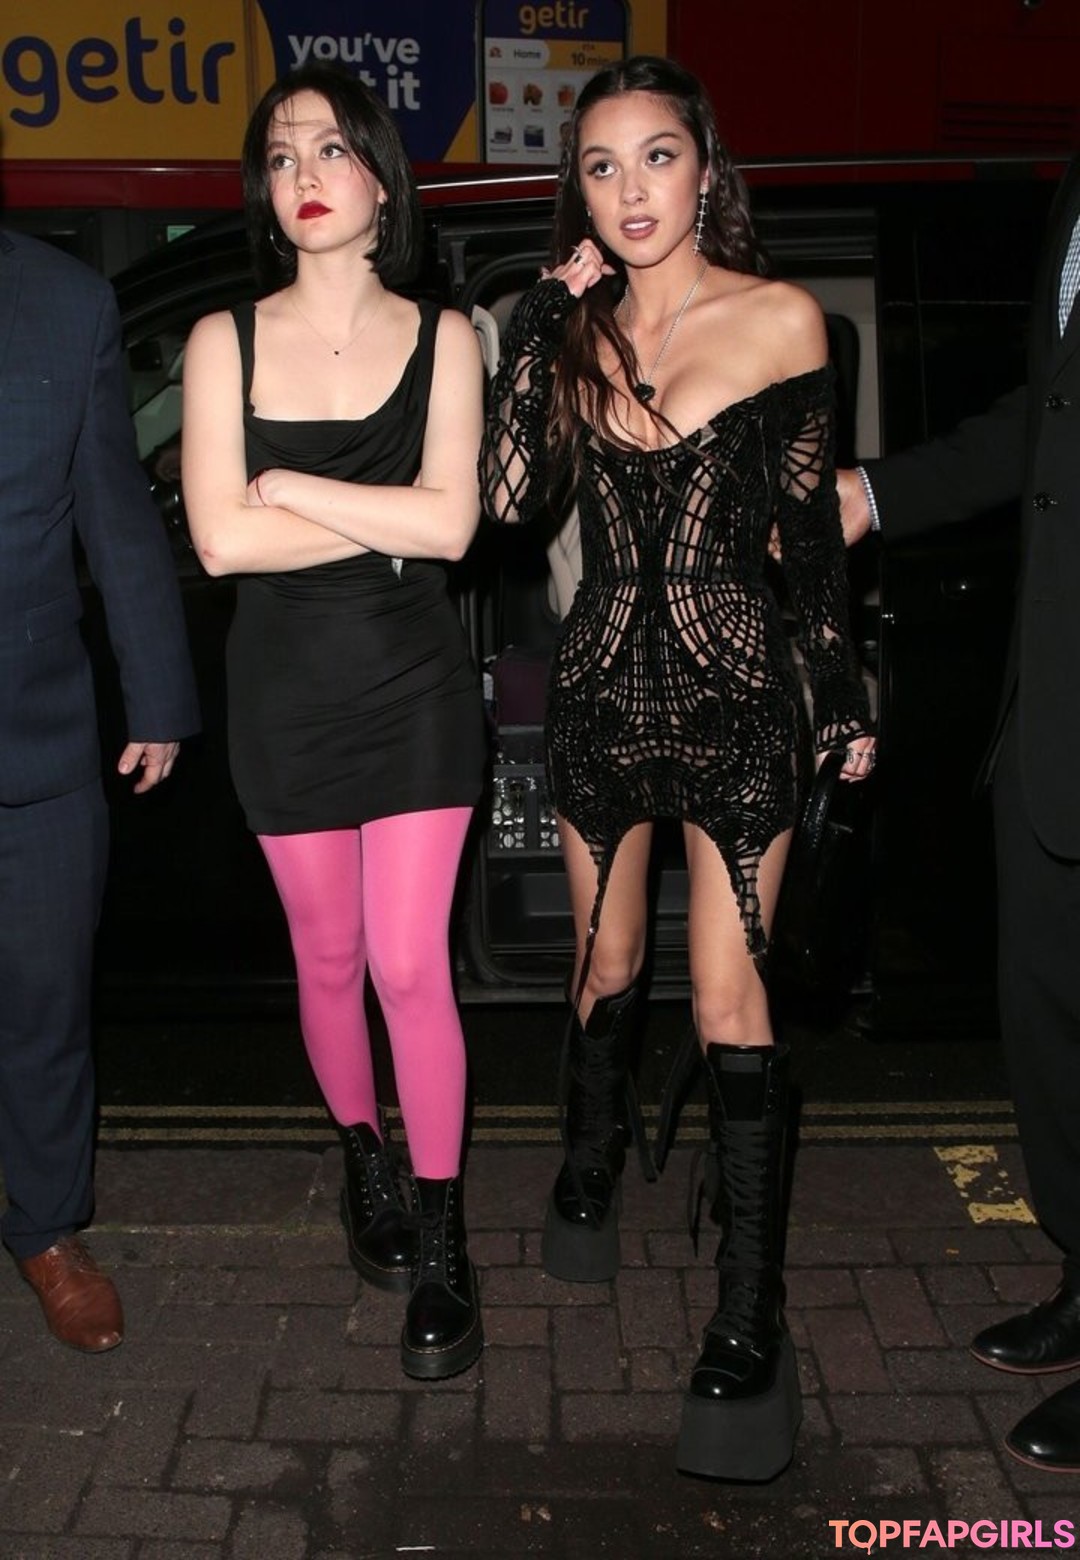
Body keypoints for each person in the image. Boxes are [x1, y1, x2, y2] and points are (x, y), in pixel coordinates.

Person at [480, 55, 874, 1480]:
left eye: (656, 156)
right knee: (601, 966)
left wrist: (841, 693)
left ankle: (747, 1313)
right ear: (578, 193)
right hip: (599, 690)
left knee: (724, 999)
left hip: (734, 694)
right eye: (600, 166)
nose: (632, 189)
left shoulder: (781, 319)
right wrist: (538, 323)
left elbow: (810, 542)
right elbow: (508, 507)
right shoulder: (574, 336)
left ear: (705, 166)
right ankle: (590, 1160)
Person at [182, 64, 487, 1381]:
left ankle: (444, 1239)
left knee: (410, 964)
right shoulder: (223, 342)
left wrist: (291, 485)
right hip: (286, 698)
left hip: (416, 692)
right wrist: (384, 518)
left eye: (330, 148)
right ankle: (363, 1153)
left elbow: (455, 526)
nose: (303, 174)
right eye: (280, 155)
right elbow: (218, 542)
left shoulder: (446, 338)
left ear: (380, 176)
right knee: (328, 959)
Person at [838, 151, 1080, 1474]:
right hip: (1050, 710)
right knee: (1049, 1023)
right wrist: (875, 494)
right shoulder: (1075, 192)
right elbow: (1046, 418)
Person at [0, 227, 199, 1351]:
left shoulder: (67, 303)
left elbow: (113, 508)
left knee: (46, 1003)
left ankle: (46, 1228)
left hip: (35, 731)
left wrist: (157, 694)